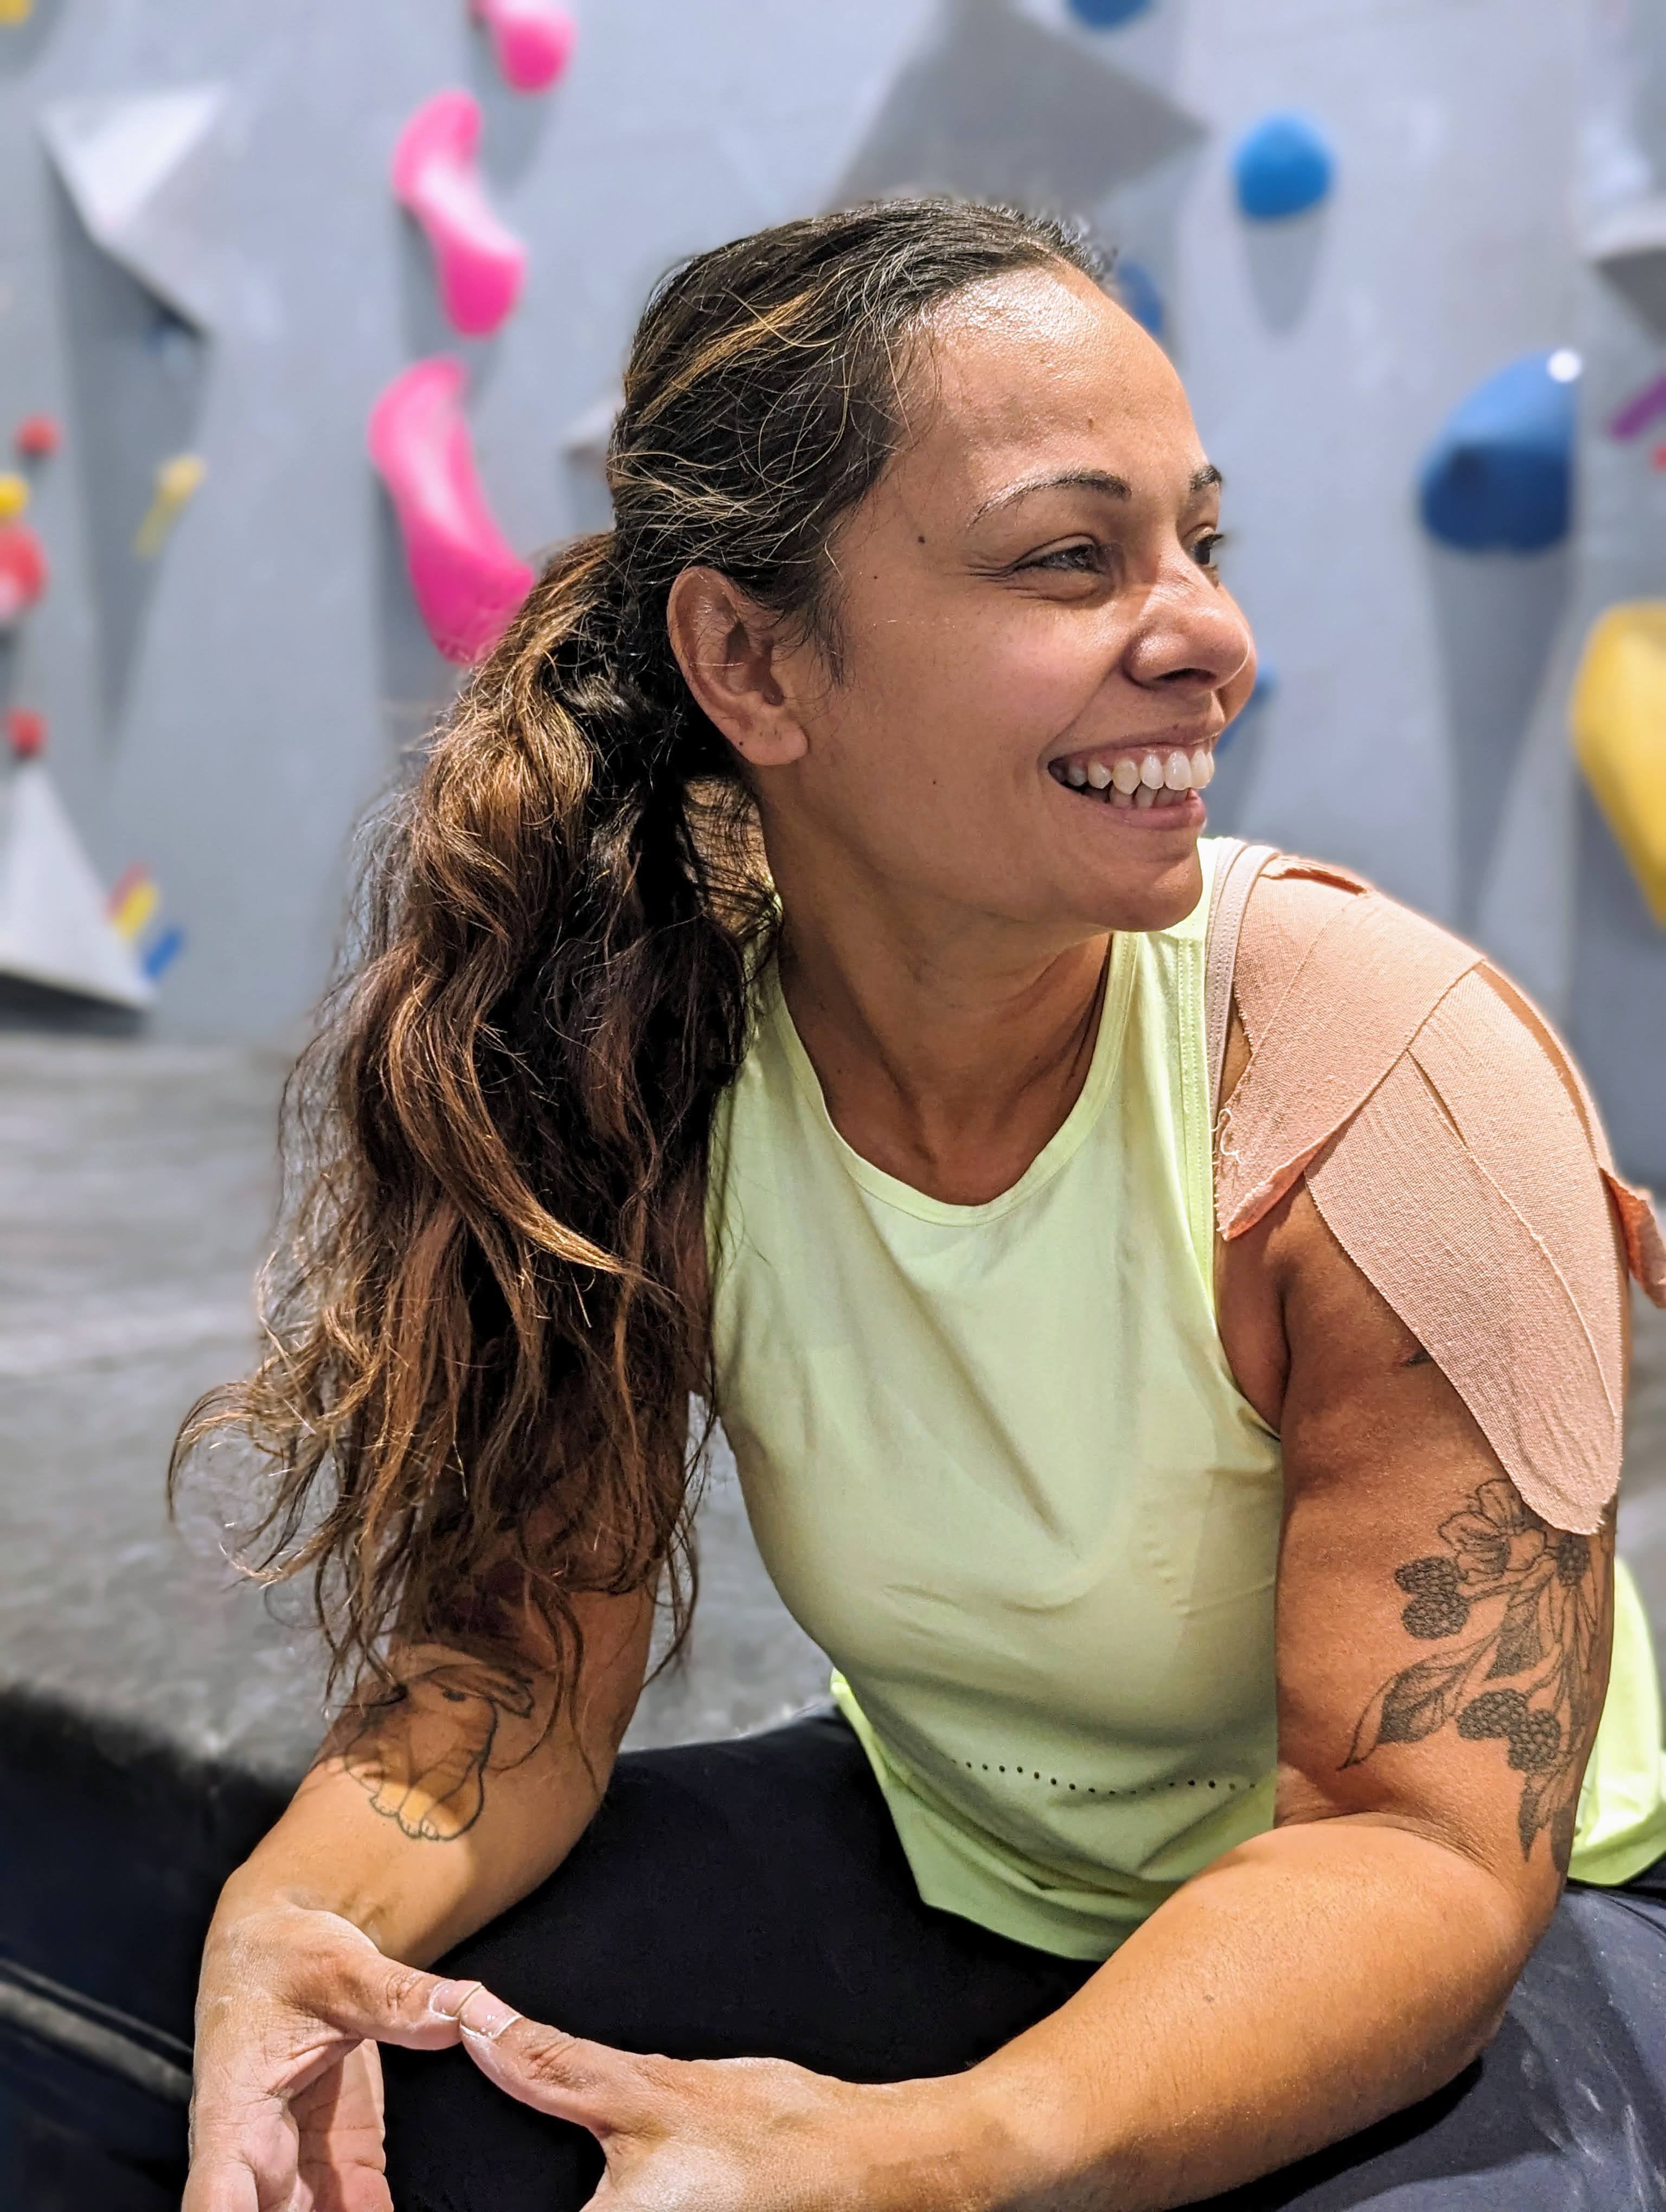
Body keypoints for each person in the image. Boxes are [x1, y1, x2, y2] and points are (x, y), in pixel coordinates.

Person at [178, 200, 1666, 2212]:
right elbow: (515, 1667)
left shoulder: (1385, 1078)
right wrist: (280, 1935)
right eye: (1073, 557)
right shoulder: (650, 1060)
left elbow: (1413, 1848)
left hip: (1517, 1922)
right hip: (985, 1870)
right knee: (397, 2098)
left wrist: (934, 2156)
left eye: (1199, 544)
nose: (1211, 637)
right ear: (750, 662)